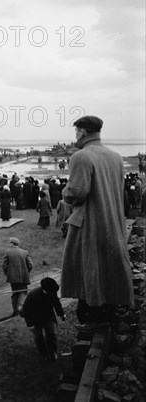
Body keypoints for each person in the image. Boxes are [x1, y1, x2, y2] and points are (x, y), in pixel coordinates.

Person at [61, 116, 134, 328]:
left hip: (90, 223)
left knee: (89, 268)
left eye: (76, 131)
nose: (74, 135)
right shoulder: (115, 157)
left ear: (83, 132)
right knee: (109, 265)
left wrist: (66, 192)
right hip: (111, 221)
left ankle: (92, 312)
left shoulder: (81, 156)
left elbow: (76, 193)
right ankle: (108, 309)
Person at [21, 277, 66, 361]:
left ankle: (52, 352)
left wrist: (61, 314)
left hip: (48, 316)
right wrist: (30, 324)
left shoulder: (52, 292)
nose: (53, 293)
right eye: (51, 292)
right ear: (44, 290)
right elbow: (25, 310)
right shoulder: (32, 295)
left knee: (51, 334)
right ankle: (43, 354)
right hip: (35, 318)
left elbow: (57, 303)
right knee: (38, 336)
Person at [2, 237, 33, 316]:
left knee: (15, 293)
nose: (9, 244)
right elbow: (30, 265)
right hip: (23, 276)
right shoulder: (25, 252)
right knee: (23, 291)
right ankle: (20, 307)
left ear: (12, 243)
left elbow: (4, 265)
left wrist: (7, 273)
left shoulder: (7, 252)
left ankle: (15, 310)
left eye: (10, 242)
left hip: (12, 277)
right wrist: (26, 271)